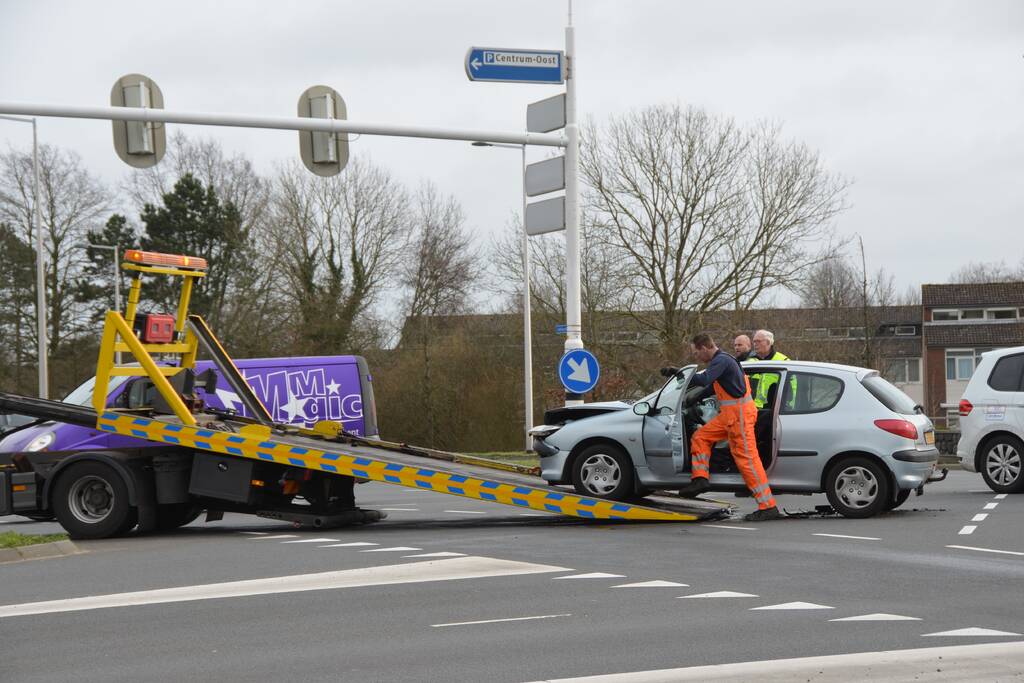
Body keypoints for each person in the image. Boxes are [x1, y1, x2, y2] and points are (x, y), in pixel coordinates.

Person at [671, 332, 782, 521]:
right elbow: (713, 385)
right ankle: (700, 480)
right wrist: (697, 397)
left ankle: (768, 506)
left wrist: (679, 373)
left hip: (738, 418)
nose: (696, 357)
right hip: (730, 417)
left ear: (704, 348)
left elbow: (705, 379)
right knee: (700, 437)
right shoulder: (723, 361)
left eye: (697, 353)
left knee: (747, 460)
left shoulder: (720, 361)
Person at [749, 329, 791, 409]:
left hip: (774, 410)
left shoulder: (783, 361)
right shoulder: (751, 362)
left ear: (768, 342)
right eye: (754, 342)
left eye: (758, 341)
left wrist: (789, 407)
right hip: (752, 410)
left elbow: (792, 388)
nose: (755, 344)